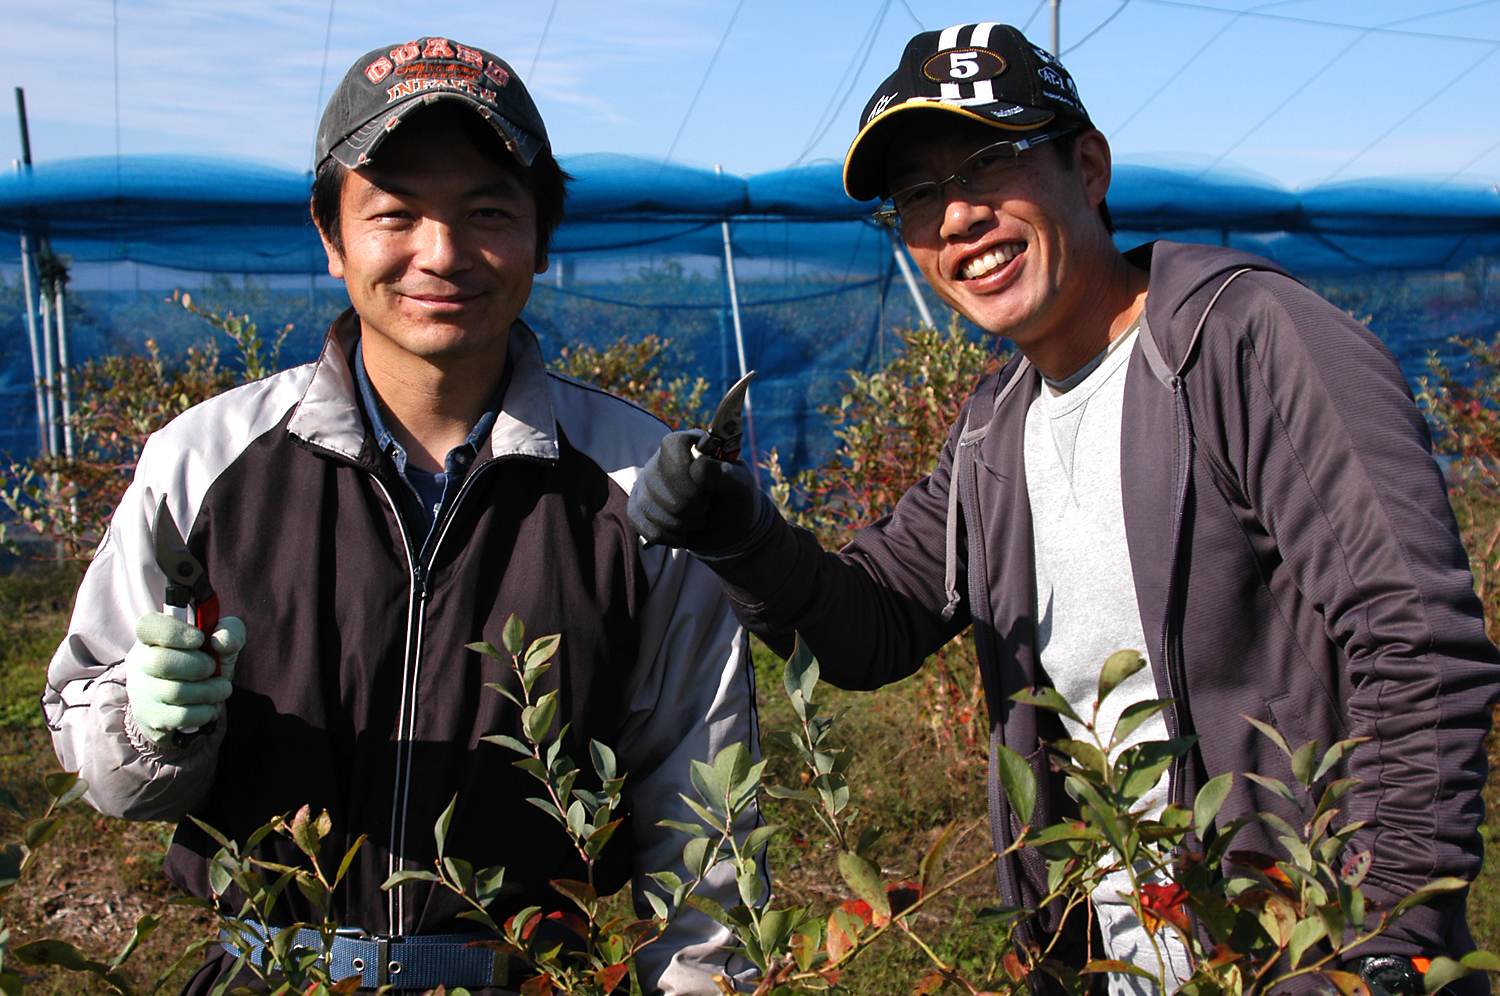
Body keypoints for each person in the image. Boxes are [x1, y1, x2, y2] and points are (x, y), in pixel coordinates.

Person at [629, 21, 1499, 996]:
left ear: (1088, 166)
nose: (954, 216)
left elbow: (1414, 639)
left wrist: (1384, 940)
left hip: (1301, 959)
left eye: (989, 161)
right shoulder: (998, 431)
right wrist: (739, 532)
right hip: (1112, 969)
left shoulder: (1245, 343)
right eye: (916, 195)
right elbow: (873, 627)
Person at [44, 37, 758, 996]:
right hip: (276, 976)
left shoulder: (639, 488)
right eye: (395, 214)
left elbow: (702, 806)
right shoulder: (208, 463)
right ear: (331, 234)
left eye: (488, 212)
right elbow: (107, 771)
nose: (442, 253)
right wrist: (147, 721)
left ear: (542, 237)